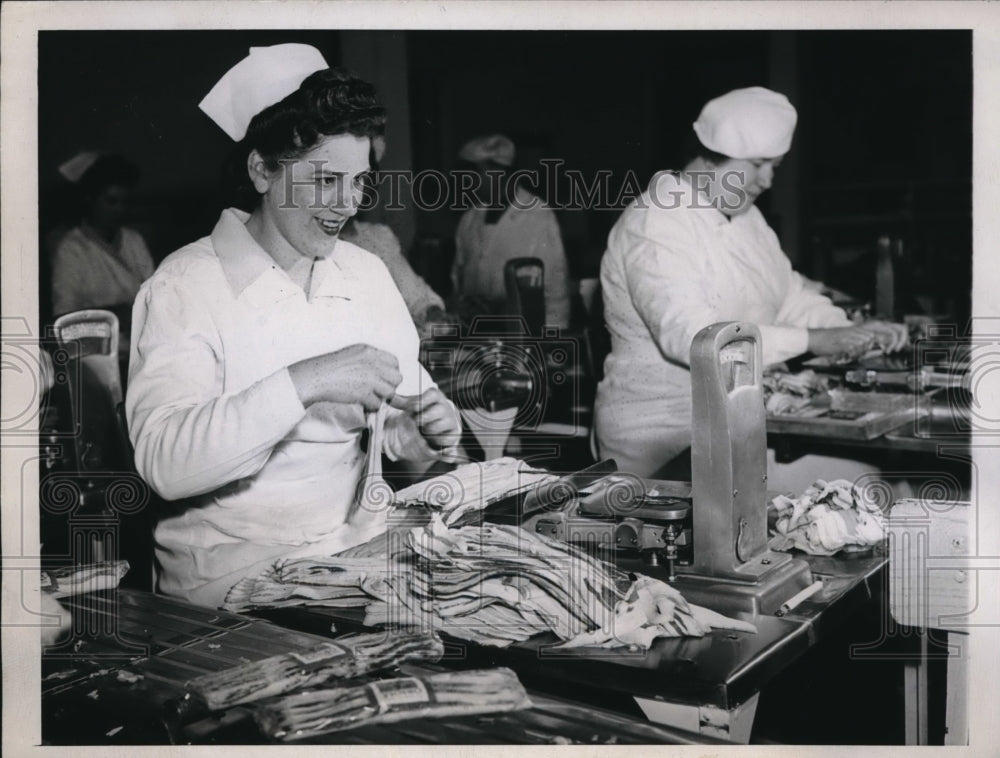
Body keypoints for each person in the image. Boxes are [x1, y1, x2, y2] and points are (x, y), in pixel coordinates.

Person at [125, 44, 461, 607]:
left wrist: (419, 435)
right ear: (262, 170)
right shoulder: (185, 285)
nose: (347, 205)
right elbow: (164, 462)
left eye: (358, 183)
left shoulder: (365, 272)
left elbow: (399, 425)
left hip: (350, 557)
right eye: (327, 180)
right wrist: (306, 380)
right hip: (226, 581)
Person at [595, 86, 908, 481]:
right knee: (868, 481)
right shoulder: (656, 221)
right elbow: (694, 338)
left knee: (884, 474)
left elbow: (787, 292)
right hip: (666, 441)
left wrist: (852, 333)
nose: (767, 180)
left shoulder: (746, 218)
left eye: (774, 166)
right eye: (758, 164)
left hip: (735, 426)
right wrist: (813, 341)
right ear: (709, 159)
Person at [451, 134, 572, 329]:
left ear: (498, 172)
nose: (468, 181)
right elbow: (458, 279)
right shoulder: (469, 219)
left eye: (476, 172)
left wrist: (552, 340)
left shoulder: (538, 216)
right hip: (476, 333)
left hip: (523, 333)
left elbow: (555, 289)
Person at [50, 152, 156, 318]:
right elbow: (64, 314)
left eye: (125, 202)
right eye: (111, 202)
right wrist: (113, 313)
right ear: (89, 199)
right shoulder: (71, 249)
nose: (120, 210)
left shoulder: (133, 240)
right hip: (96, 341)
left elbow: (153, 291)